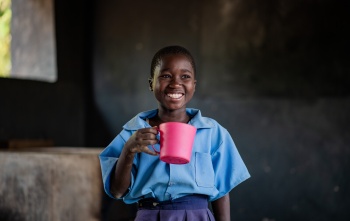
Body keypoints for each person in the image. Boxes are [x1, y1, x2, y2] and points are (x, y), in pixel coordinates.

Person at [99, 45, 250, 221]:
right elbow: (117, 191)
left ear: (194, 85)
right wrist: (129, 150)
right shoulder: (133, 134)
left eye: (185, 77)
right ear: (151, 84)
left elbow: (221, 191)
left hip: (197, 216)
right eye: (165, 76)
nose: (175, 83)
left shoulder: (213, 132)